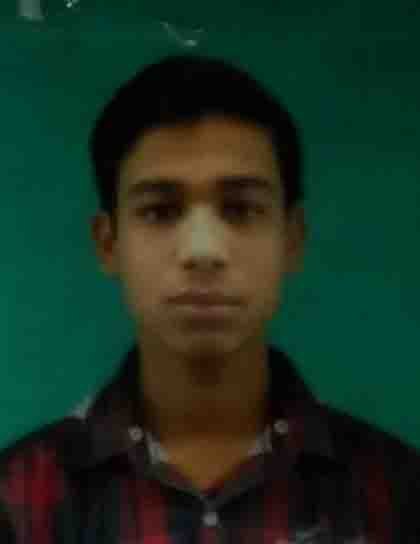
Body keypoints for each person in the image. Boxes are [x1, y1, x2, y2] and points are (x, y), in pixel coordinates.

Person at [1, 53, 419, 544]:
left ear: (292, 239)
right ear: (108, 243)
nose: (203, 250)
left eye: (240, 209)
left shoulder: (395, 494)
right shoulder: (19, 499)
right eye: (160, 211)